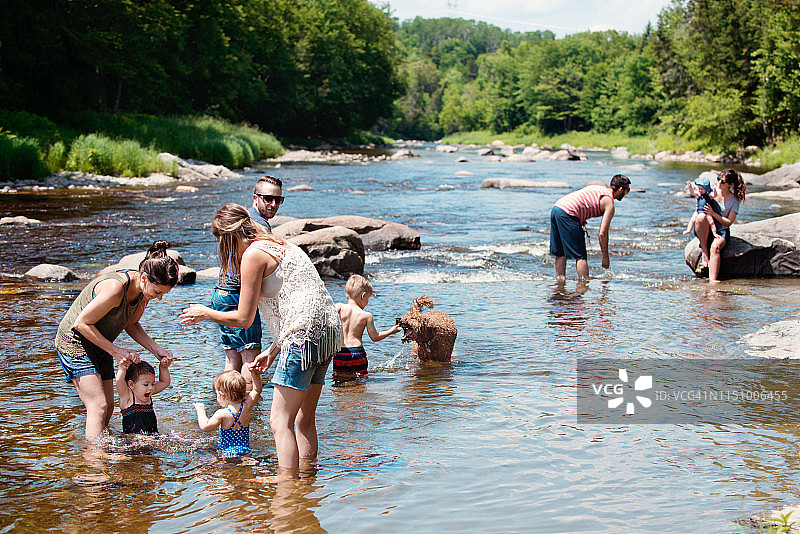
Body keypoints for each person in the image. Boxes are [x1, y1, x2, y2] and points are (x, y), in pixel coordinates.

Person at [180, 203, 342, 480]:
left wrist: (206, 313)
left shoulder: (253, 255)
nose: (222, 249)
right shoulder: (281, 244)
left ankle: (287, 485)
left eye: (220, 241)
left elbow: (244, 318)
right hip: (327, 333)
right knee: (304, 419)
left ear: (229, 236)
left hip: (302, 339)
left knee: (279, 422)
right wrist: (273, 349)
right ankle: (307, 480)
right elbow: (301, 303)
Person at [55, 240, 179, 440]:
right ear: (144, 278)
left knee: (109, 406)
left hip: (100, 342)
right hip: (75, 341)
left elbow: (132, 324)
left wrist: (157, 350)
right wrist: (115, 351)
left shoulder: (142, 293)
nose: (159, 298)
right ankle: (93, 455)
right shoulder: (115, 288)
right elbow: (81, 324)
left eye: (163, 294)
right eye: (158, 292)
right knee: (98, 405)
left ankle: (103, 446)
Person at [211, 176, 284, 389]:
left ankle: (225, 401)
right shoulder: (257, 226)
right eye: (268, 198)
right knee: (250, 357)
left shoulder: (236, 220)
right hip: (237, 295)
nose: (273, 204)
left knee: (232, 356)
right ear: (255, 198)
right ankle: (248, 405)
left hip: (221, 294)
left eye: (278, 200)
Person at [549, 174, 631, 280]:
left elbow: (583, 200)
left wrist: (581, 218)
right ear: (621, 189)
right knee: (581, 256)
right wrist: (605, 258)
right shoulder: (609, 202)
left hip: (557, 208)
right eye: (627, 190)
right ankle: (584, 284)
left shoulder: (600, 188)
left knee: (560, 253)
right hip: (569, 213)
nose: (627, 193)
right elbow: (602, 233)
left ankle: (560, 282)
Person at [334, 274, 401, 382]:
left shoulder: (339, 307)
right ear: (363, 295)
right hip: (357, 354)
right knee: (360, 381)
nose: (367, 302)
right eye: (368, 299)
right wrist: (391, 331)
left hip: (339, 353)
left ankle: (341, 393)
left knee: (339, 380)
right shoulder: (366, 315)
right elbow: (375, 337)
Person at [193, 368, 262, 458]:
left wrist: (200, 410)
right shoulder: (246, 406)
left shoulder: (222, 413)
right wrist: (254, 374)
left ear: (222, 395)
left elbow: (205, 427)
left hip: (226, 453)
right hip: (246, 451)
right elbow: (257, 390)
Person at [693, 168, 747, 283]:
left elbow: (729, 222)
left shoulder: (734, 201)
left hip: (722, 230)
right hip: (706, 228)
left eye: (722, 181)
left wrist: (713, 214)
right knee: (700, 217)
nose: (719, 182)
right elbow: (699, 204)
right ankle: (704, 254)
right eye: (718, 179)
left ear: (730, 185)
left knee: (715, 247)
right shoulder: (712, 192)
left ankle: (713, 281)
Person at [116, 359, 171, 434]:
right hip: (132, 438)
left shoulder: (148, 392)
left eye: (152, 384)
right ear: (131, 384)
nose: (151, 388)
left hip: (152, 437)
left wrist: (163, 367)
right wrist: (122, 366)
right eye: (146, 384)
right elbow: (119, 380)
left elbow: (164, 382)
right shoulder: (127, 397)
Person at [682, 176, 721, 246]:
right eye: (699, 188)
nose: (700, 190)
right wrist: (690, 186)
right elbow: (692, 193)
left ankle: (714, 233)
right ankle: (688, 230)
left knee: (711, 222)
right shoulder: (698, 194)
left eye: (702, 189)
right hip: (698, 211)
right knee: (692, 220)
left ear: (706, 188)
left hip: (706, 211)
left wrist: (715, 189)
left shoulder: (709, 195)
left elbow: (715, 195)